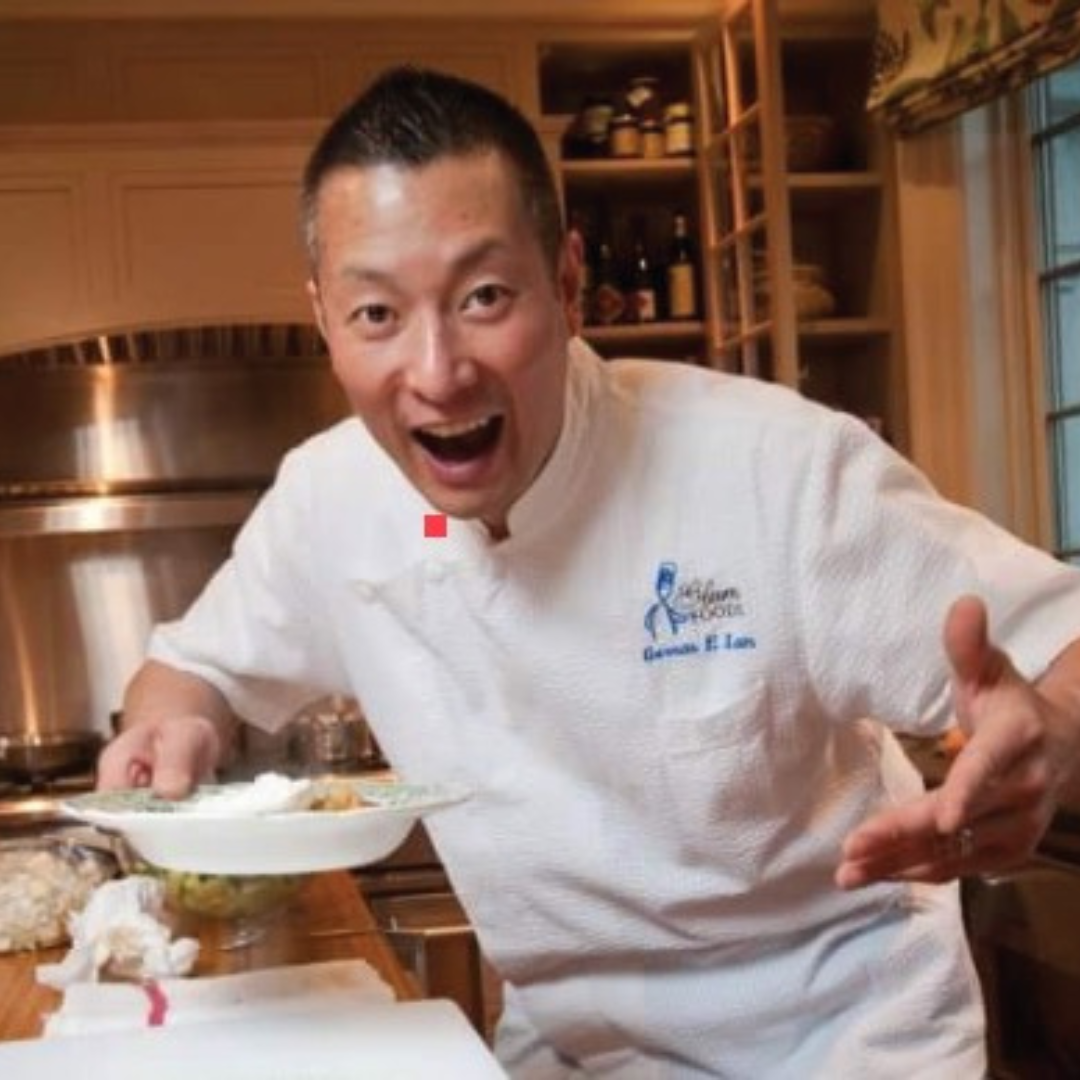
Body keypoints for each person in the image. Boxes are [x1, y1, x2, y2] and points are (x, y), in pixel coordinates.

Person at [99, 66, 1080, 1077]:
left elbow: (1062, 645)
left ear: (568, 284)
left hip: (838, 1043)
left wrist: (1049, 734)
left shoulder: (771, 470)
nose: (438, 374)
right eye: (377, 314)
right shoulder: (330, 500)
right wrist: (176, 723)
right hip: (576, 1053)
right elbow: (188, 672)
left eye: (484, 297)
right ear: (324, 318)